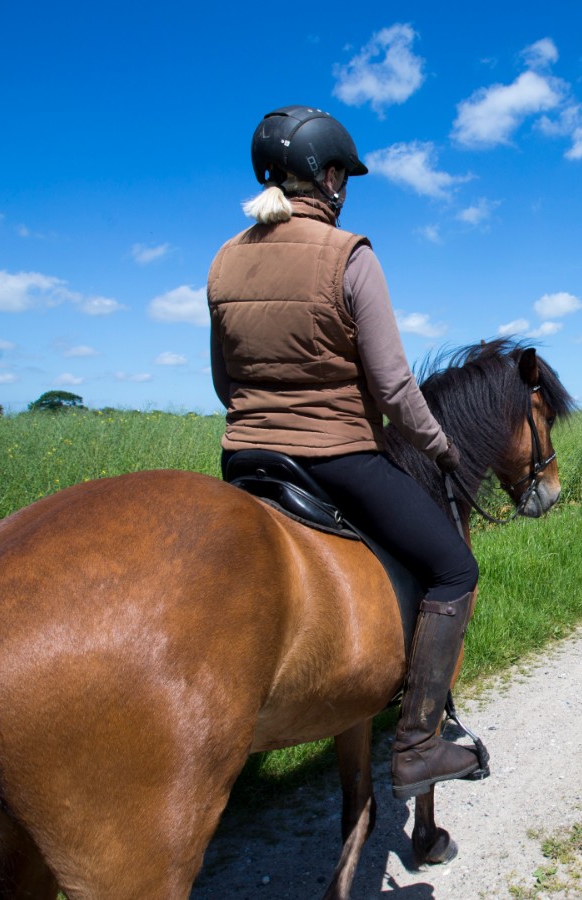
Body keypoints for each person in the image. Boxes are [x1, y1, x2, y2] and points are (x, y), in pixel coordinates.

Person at [208, 105, 486, 798]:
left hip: (244, 462)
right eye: (344, 176)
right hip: (335, 457)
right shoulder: (350, 254)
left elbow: (224, 381)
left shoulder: (224, 259)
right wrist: (441, 446)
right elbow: (393, 384)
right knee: (454, 568)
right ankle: (419, 742)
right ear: (329, 177)